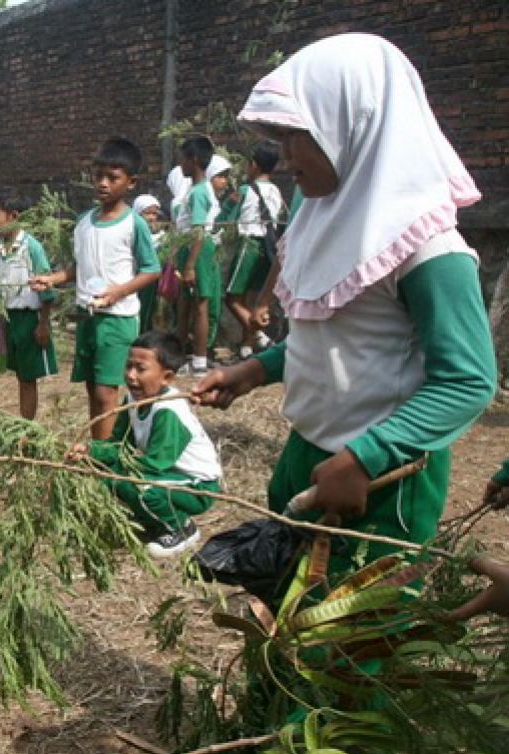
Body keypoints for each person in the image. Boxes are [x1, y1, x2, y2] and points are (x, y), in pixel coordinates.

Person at [194, 33, 496, 579]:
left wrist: (366, 457)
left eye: (293, 138)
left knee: (342, 645)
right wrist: (255, 370)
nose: (283, 159)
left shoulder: (429, 248)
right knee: (278, 628)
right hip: (307, 454)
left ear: (348, 124)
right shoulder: (322, 221)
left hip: (381, 482)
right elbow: (334, 334)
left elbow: (468, 381)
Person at [31, 137, 161, 439]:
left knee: (107, 392)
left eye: (112, 178)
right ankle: (98, 446)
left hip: (117, 319)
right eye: (98, 176)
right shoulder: (84, 222)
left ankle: (105, 456)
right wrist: (52, 279)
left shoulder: (133, 224)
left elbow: (152, 269)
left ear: (131, 182)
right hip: (87, 317)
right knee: (92, 387)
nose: (102, 183)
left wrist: (119, 292)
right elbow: (81, 269)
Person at [69, 331, 222, 557]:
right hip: (167, 474)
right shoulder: (133, 400)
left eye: (140, 369)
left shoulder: (169, 412)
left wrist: (113, 474)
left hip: (197, 486)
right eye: (128, 366)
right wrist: (92, 452)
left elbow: (154, 465)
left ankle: (181, 529)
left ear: (167, 377)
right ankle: (150, 520)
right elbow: (120, 446)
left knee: (139, 486)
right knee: (103, 472)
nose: (131, 376)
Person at [0, 192, 58, 419]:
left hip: (29, 320)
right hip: (5, 318)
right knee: (12, 371)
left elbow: (46, 287)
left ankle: (27, 425)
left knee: (27, 377)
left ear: (14, 216)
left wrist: (43, 323)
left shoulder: (31, 248)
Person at [224, 140, 285, 359]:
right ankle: (246, 347)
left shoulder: (244, 190)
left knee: (231, 298)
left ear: (254, 164)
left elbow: (227, 220)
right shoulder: (276, 191)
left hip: (249, 243)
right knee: (250, 299)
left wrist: (229, 204)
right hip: (268, 246)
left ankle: (260, 337)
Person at [174, 136, 222, 377]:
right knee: (185, 303)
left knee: (200, 304)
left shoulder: (200, 192)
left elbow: (199, 230)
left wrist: (191, 265)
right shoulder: (196, 190)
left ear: (193, 161)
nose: (180, 165)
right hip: (190, 249)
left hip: (198, 251)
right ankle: (181, 356)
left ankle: (200, 360)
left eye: (183, 159)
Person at [132, 193, 168, 332]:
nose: (152, 218)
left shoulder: (158, 235)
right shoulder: (133, 230)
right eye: (148, 214)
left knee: (148, 307)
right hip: (135, 275)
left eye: (155, 214)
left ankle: (145, 332)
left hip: (150, 279)